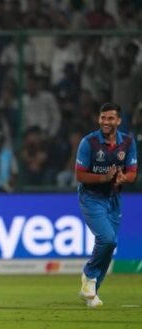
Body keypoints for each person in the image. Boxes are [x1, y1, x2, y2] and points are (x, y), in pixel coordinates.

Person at [75, 102, 138, 308]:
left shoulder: (128, 142)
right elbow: (79, 175)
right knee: (107, 239)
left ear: (119, 121)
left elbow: (132, 172)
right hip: (92, 197)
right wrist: (104, 178)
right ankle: (89, 276)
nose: (106, 122)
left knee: (109, 246)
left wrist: (123, 178)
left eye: (110, 118)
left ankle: (92, 292)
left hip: (114, 199)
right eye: (103, 118)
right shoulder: (89, 142)